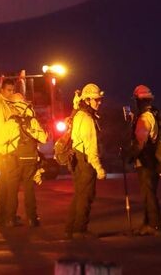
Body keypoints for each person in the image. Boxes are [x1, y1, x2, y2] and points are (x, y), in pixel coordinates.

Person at [65, 83, 106, 240]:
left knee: (79, 194)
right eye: (96, 100)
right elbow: (91, 148)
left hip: (76, 158)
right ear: (87, 100)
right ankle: (80, 230)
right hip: (85, 161)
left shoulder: (78, 114)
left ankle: (70, 227)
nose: (99, 102)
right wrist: (99, 168)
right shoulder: (87, 119)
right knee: (86, 195)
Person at [5, 92, 48, 227]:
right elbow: (44, 139)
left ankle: (10, 219)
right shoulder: (32, 120)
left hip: (14, 159)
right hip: (30, 158)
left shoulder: (10, 122)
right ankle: (32, 219)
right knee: (29, 189)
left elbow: (3, 141)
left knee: (12, 190)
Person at [126, 84, 161, 236]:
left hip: (146, 162)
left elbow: (140, 142)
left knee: (149, 195)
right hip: (152, 161)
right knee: (149, 194)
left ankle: (154, 226)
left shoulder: (144, 118)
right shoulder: (153, 114)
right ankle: (147, 224)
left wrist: (130, 155)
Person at [0, 78, 20, 227]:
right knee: (10, 185)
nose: (11, 93)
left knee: (5, 185)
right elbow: (0, 132)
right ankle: (8, 217)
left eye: (13, 90)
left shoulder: (6, 103)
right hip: (4, 151)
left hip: (6, 149)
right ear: (2, 90)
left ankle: (2, 216)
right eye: (8, 90)